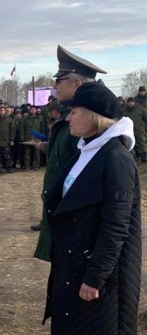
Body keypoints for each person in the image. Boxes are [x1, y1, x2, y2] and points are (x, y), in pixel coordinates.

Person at [42, 80, 141, 334]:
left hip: (98, 280)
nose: (69, 118)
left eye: (74, 112)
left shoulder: (116, 158)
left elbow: (116, 227)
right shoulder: (87, 150)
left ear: (91, 116)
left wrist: (94, 278)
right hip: (72, 265)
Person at [32, 45, 106, 251]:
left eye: (59, 81)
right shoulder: (69, 120)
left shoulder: (88, 123)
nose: (55, 86)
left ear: (77, 84)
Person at [0, 106, 16, 174]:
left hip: (6, 142)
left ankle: (9, 169)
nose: (2, 111)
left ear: (5, 111)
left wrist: (11, 140)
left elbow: (13, 130)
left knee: (8, 157)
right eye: (0, 110)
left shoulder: (10, 120)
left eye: (3, 110)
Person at [121, 97, 147, 162]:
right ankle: (135, 156)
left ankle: (144, 156)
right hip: (129, 130)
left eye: (132, 102)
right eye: (129, 102)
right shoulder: (124, 110)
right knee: (132, 144)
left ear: (134, 102)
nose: (130, 103)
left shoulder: (141, 109)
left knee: (141, 143)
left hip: (139, 129)